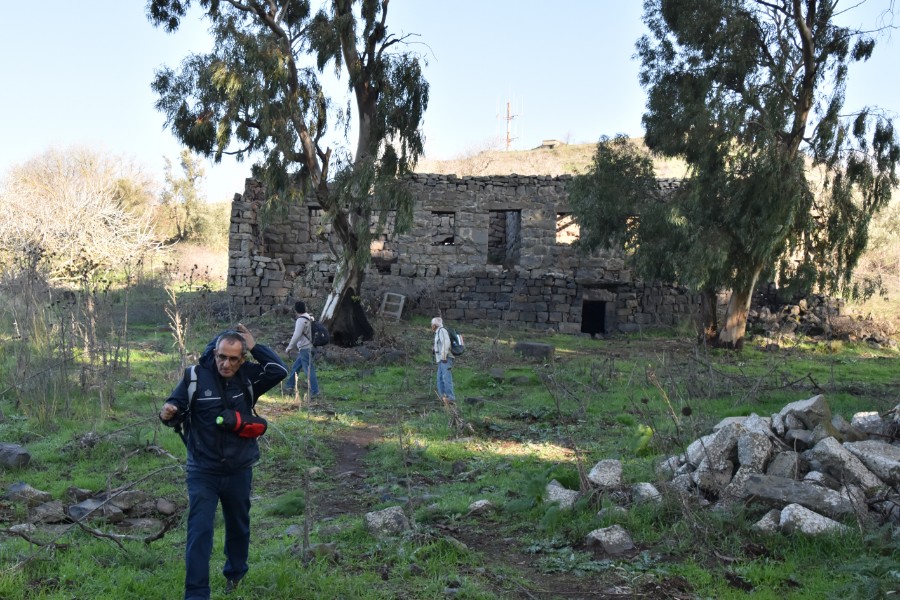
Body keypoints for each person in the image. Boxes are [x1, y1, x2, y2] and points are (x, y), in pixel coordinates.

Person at [159, 324, 287, 600]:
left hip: (239, 468)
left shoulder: (249, 377)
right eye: (221, 357)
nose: (225, 364)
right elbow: (174, 405)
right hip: (203, 469)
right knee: (199, 531)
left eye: (232, 358)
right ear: (214, 353)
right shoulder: (195, 376)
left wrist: (255, 347)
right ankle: (196, 594)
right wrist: (167, 411)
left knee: (238, 525)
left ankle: (236, 573)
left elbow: (280, 371)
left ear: (242, 360)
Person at [284, 301, 320, 398]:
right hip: (310, 346)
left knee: (309, 370)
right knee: (296, 367)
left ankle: (315, 391)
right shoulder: (309, 317)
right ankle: (289, 386)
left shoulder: (300, 320)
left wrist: (289, 347)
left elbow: (297, 335)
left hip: (305, 348)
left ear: (296, 310)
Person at [431, 316, 456, 401]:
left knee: (446, 377)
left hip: (445, 358)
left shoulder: (442, 331)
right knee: (440, 378)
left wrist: (444, 356)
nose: (431, 326)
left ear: (435, 324)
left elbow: (446, 343)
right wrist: (435, 349)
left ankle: (450, 397)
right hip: (441, 359)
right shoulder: (438, 332)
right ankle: (443, 397)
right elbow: (440, 344)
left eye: (432, 324)